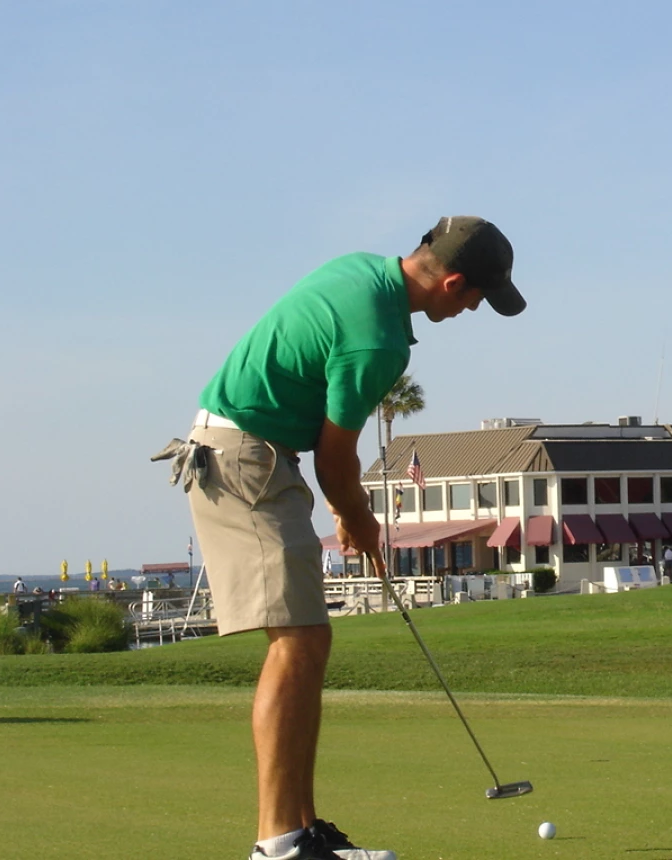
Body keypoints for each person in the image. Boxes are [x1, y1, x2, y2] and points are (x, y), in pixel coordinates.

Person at [155, 216, 525, 860]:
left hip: (250, 451)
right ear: (454, 281)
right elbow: (336, 461)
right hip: (244, 457)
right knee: (297, 643)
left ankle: (302, 825)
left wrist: (351, 513)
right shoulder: (380, 341)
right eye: (476, 299)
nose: (472, 311)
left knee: (306, 639)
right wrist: (360, 520)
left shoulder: (360, 269)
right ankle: (279, 842)